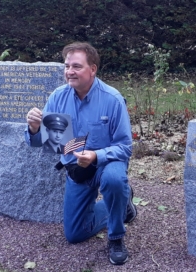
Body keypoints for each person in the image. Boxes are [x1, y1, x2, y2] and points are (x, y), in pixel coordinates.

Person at [24, 42, 137, 265]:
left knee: (114, 180)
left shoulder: (112, 99)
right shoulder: (58, 97)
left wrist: (96, 156)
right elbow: (49, 142)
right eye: (67, 66)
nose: (69, 71)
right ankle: (122, 205)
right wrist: (34, 129)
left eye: (76, 66)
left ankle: (116, 236)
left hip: (107, 163)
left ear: (92, 69)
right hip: (77, 169)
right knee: (74, 234)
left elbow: (125, 147)